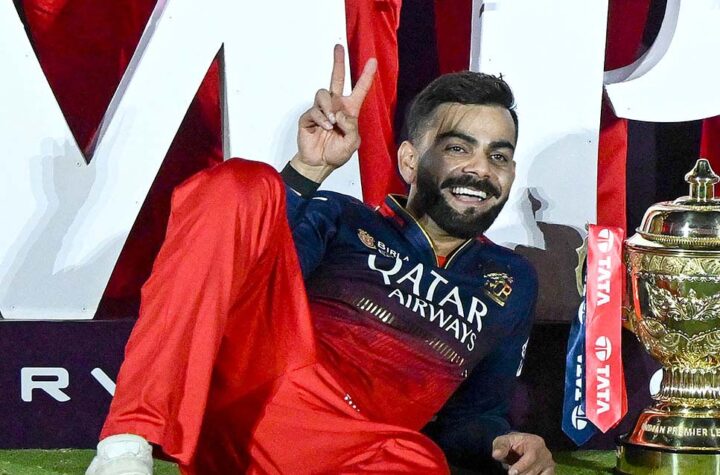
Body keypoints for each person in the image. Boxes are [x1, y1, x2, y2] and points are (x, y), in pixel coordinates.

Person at [86, 45, 554, 475]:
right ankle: (126, 447)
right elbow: (244, 275)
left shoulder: (513, 281)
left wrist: (498, 440)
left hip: (359, 450)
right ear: (410, 161)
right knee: (241, 185)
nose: (480, 169)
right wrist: (309, 170)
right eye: (457, 148)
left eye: (499, 156)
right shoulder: (342, 218)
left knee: (420, 462)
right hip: (262, 398)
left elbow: (472, 415)